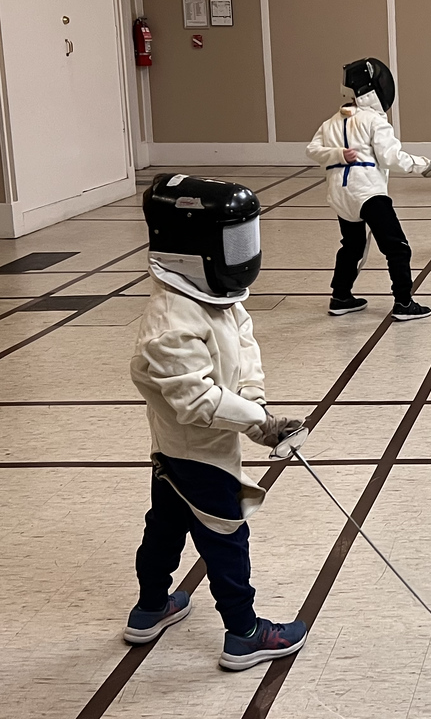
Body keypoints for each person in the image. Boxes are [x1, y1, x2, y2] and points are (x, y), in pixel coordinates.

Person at [126, 173, 308, 671]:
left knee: (165, 523)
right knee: (224, 535)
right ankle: (245, 634)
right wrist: (259, 424)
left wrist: (256, 400)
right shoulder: (168, 325)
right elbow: (195, 400)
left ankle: (150, 610)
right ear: (194, 245)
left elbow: (243, 345)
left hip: (195, 447)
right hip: (192, 451)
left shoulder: (216, 297)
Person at [306, 57, 431, 320]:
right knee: (397, 247)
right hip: (368, 191)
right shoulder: (374, 121)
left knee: (352, 245)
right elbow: (391, 157)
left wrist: (337, 154)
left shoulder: (330, 122)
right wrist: (424, 165)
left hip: (340, 195)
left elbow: (312, 150)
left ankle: (341, 297)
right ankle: (403, 302)